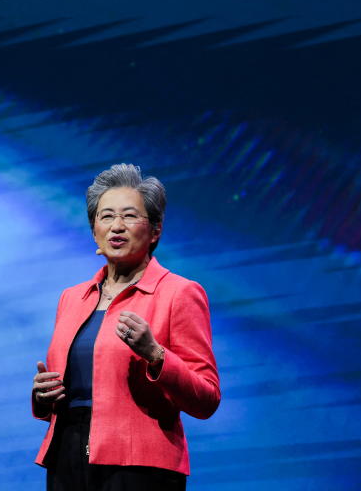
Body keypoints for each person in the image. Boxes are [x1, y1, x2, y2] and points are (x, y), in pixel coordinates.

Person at [32, 164, 220, 490]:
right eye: (106, 217)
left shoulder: (179, 293)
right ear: (94, 232)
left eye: (130, 216)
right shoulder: (72, 298)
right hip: (67, 456)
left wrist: (156, 355)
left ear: (155, 231)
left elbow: (206, 399)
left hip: (139, 468)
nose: (116, 226)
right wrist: (43, 396)